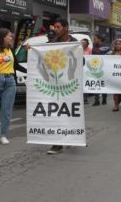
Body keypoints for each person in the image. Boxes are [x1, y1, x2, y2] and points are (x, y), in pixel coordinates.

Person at [47, 18, 77, 154]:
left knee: (69, 112)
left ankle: (70, 135)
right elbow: (44, 56)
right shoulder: (53, 42)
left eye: (58, 27)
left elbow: (80, 62)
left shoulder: (74, 43)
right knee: (57, 112)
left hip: (70, 84)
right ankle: (57, 143)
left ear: (66, 27)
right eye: (55, 27)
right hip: (55, 84)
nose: (56, 29)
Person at [92, 33, 109, 106]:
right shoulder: (94, 46)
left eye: (95, 39)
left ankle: (104, 98)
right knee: (96, 84)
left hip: (104, 68)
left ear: (99, 39)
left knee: (103, 83)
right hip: (95, 68)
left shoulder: (106, 47)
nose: (94, 40)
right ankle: (96, 100)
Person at [81, 38, 92, 104]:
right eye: (82, 42)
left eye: (84, 42)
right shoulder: (79, 49)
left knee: (85, 83)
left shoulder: (90, 50)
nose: (83, 44)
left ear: (87, 43)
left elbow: (91, 58)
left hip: (87, 68)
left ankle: (85, 98)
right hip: (80, 68)